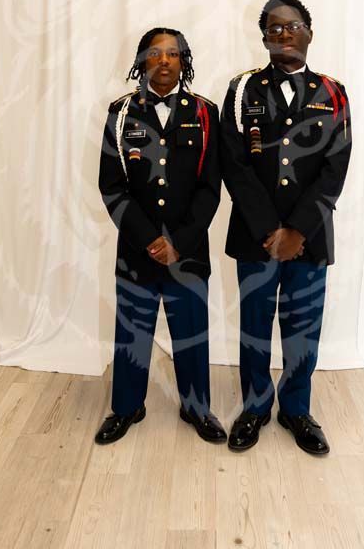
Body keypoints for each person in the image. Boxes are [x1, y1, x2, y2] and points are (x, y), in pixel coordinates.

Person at [220, 0, 352, 455]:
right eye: (273, 29)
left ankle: (297, 408)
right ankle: (255, 408)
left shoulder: (333, 92)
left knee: (302, 329)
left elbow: (335, 167)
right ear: (263, 39)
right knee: (255, 325)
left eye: (291, 26)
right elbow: (233, 164)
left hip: (309, 238)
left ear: (309, 32)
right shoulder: (240, 89)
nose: (283, 34)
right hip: (256, 237)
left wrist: (297, 230)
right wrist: (269, 230)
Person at [95, 27, 226, 445]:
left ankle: (196, 407)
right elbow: (111, 185)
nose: (165, 61)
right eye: (155, 54)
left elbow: (211, 187)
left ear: (184, 61)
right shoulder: (120, 113)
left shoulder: (206, 113)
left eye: (173, 54)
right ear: (142, 61)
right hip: (137, 248)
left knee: (190, 331)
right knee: (132, 331)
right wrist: (149, 238)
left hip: (188, 250)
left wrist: (180, 241)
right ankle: (127, 407)